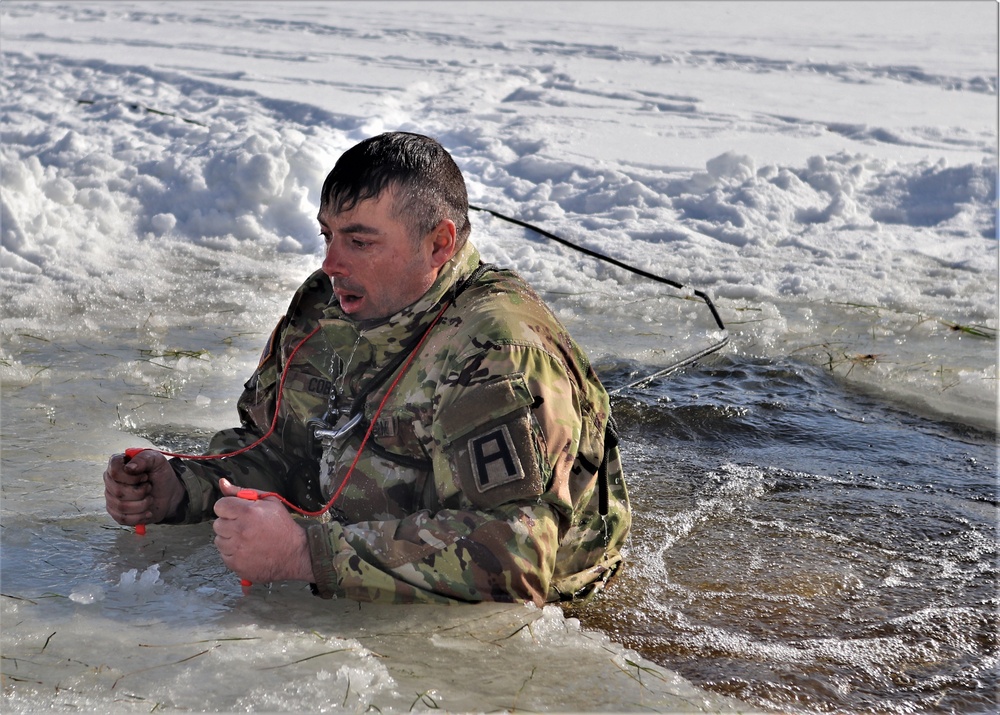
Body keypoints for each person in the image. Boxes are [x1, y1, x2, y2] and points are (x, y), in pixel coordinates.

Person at [104, 132, 630, 605]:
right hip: (360, 547)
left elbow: (515, 559)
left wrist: (306, 554)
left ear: (439, 244)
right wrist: (183, 485)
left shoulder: (498, 350)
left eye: (359, 242)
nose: (332, 264)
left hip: (541, 620)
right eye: (326, 236)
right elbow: (285, 450)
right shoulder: (326, 306)